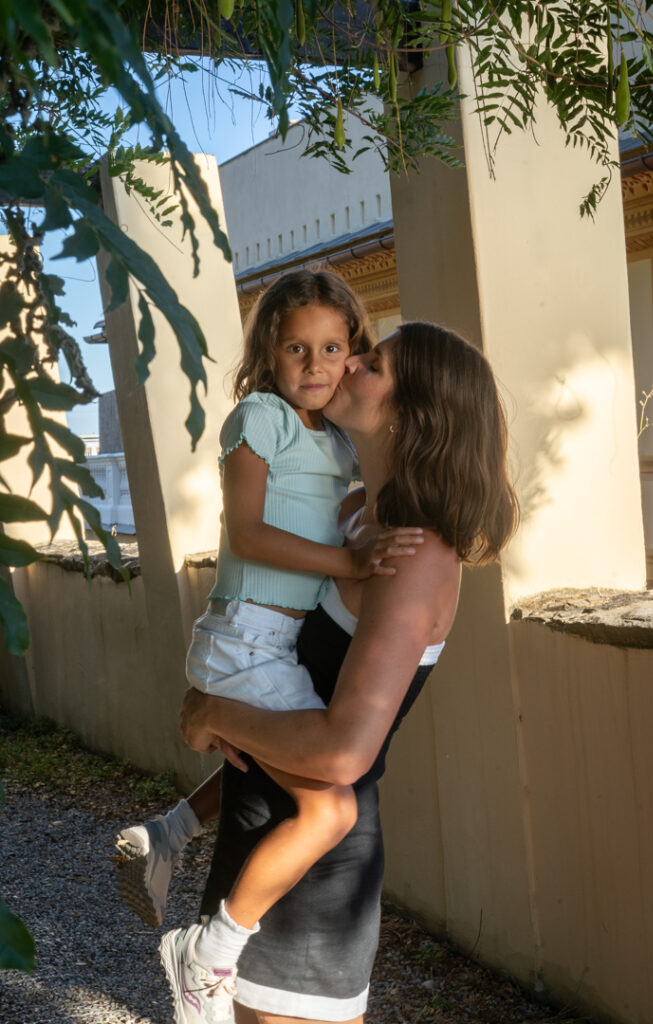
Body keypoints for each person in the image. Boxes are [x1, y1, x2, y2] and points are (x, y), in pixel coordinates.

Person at [178, 321, 519, 1024]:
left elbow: (342, 752)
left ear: (413, 412)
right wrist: (195, 806)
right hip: (260, 843)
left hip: (312, 882)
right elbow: (288, 691)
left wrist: (211, 713)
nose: (351, 363)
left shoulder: (416, 558)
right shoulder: (360, 517)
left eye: (374, 364)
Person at [113, 270, 421, 1009]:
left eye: (332, 348)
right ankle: (207, 953)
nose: (315, 365)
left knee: (276, 758)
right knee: (331, 809)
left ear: (353, 352)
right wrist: (351, 563)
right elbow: (249, 533)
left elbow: (339, 510)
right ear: (269, 354)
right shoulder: (259, 417)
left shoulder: (338, 441)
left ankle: (169, 832)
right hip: (244, 636)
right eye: (295, 348)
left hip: (273, 644)